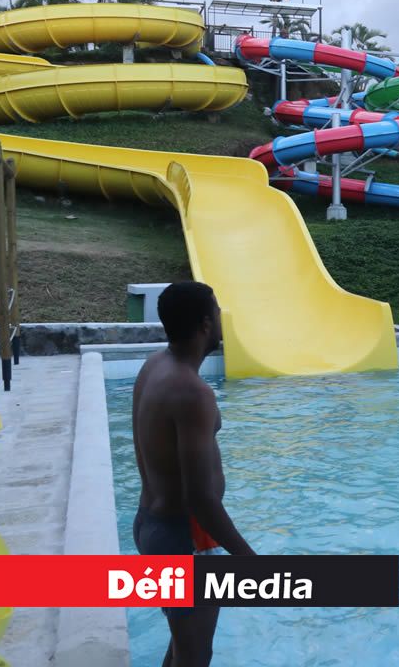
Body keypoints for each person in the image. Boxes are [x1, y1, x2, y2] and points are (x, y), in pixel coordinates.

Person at [132, 281, 255, 667]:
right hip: (182, 537)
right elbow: (202, 499)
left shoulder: (155, 366)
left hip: (151, 524)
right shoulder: (192, 392)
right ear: (205, 324)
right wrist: (246, 557)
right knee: (195, 655)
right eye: (217, 314)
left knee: (184, 645)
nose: (221, 321)